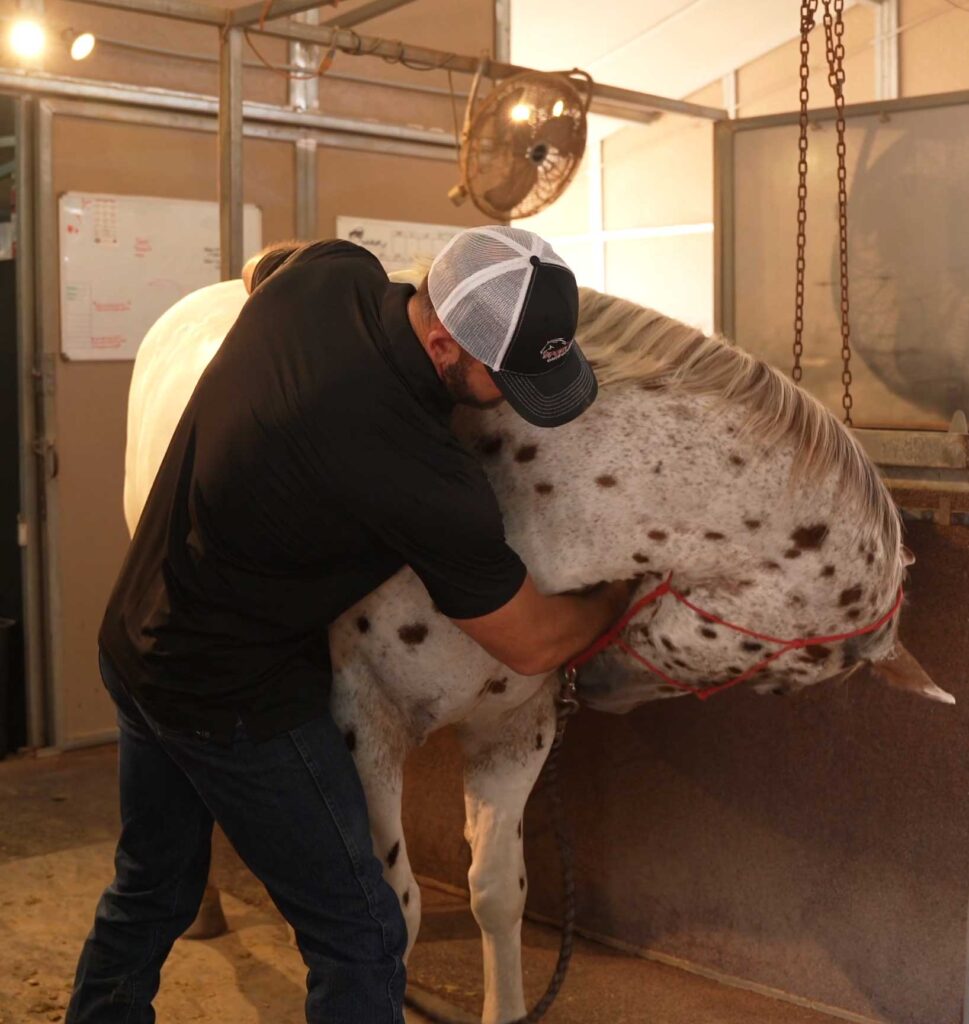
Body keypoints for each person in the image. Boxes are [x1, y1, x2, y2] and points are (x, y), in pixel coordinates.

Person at [67, 225, 633, 1023]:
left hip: (133, 641)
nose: (512, 401)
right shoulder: (419, 472)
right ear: (441, 341)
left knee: (151, 886)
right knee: (363, 935)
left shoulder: (331, 272)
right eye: (502, 378)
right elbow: (530, 639)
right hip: (232, 698)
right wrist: (618, 598)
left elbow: (258, 265)